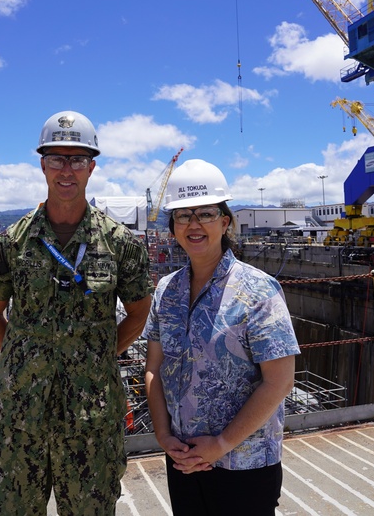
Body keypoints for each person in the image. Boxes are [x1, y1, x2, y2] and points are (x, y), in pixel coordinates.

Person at [0, 110, 153, 516]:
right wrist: (25, 357)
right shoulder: (10, 244)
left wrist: (99, 356)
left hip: (91, 421)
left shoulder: (121, 245)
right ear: (42, 165)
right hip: (18, 418)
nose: (66, 170)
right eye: (56, 159)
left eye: (77, 159)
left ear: (92, 166)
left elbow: (139, 313)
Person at [143, 159, 299, 516]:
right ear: (173, 227)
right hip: (182, 459)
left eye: (206, 214)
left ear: (225, 222)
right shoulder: (167, 290)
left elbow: (280, 381)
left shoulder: (259, 290)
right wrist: (164, 437)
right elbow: (154, 367)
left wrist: (221, 444)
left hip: (245, 464)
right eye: (183, 215)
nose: (194, 224)